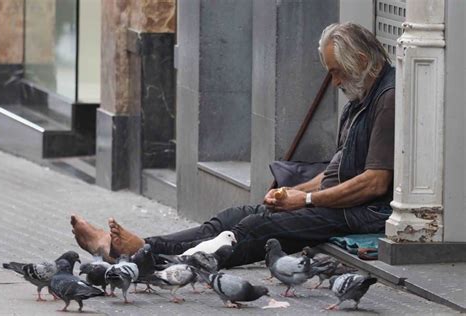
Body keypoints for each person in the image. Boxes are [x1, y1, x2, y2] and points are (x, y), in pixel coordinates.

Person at [71, 22, 395, 268]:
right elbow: (336, 171)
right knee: (233, 216)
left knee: (255, 226)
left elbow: (374, 182)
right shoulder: (361, 95)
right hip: (336, 202)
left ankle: (151, 259)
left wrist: (306, 199)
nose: (335, 82)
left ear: (362, 60)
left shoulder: (386, 99)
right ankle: (140, 248)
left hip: (359, 214)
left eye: (337, 72)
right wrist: (292, 194)